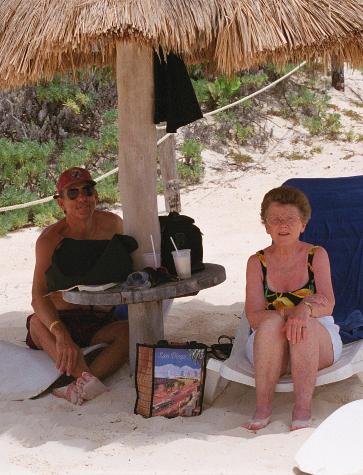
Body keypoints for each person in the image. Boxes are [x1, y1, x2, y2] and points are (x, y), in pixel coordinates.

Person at [27, 167, 131, 405]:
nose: (81, 198)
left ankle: (82, 381)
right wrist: (60, 333)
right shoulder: (50, 240)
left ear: (96, 195)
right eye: (72, 194)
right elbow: (37, 297)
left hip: (97, 320)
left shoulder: (113, 225)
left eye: (87, 190)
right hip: (60, 318)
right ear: (61, 203)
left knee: (127, 331)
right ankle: (86, 379)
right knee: (35, 324)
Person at [243, 186, 343, 431]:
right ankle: (263, 407)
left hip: (317, 341)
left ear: (303, 224)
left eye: (290, 219)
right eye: (275, 220)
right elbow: (254, 316)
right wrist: (290, 313)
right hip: (270, 344)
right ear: (266, 226)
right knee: (270, 323)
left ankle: (302, 409)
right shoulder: (257, 262)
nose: (283, 225)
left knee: (304, 323)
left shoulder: (316, 255)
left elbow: (327, 303)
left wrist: (304, 310)